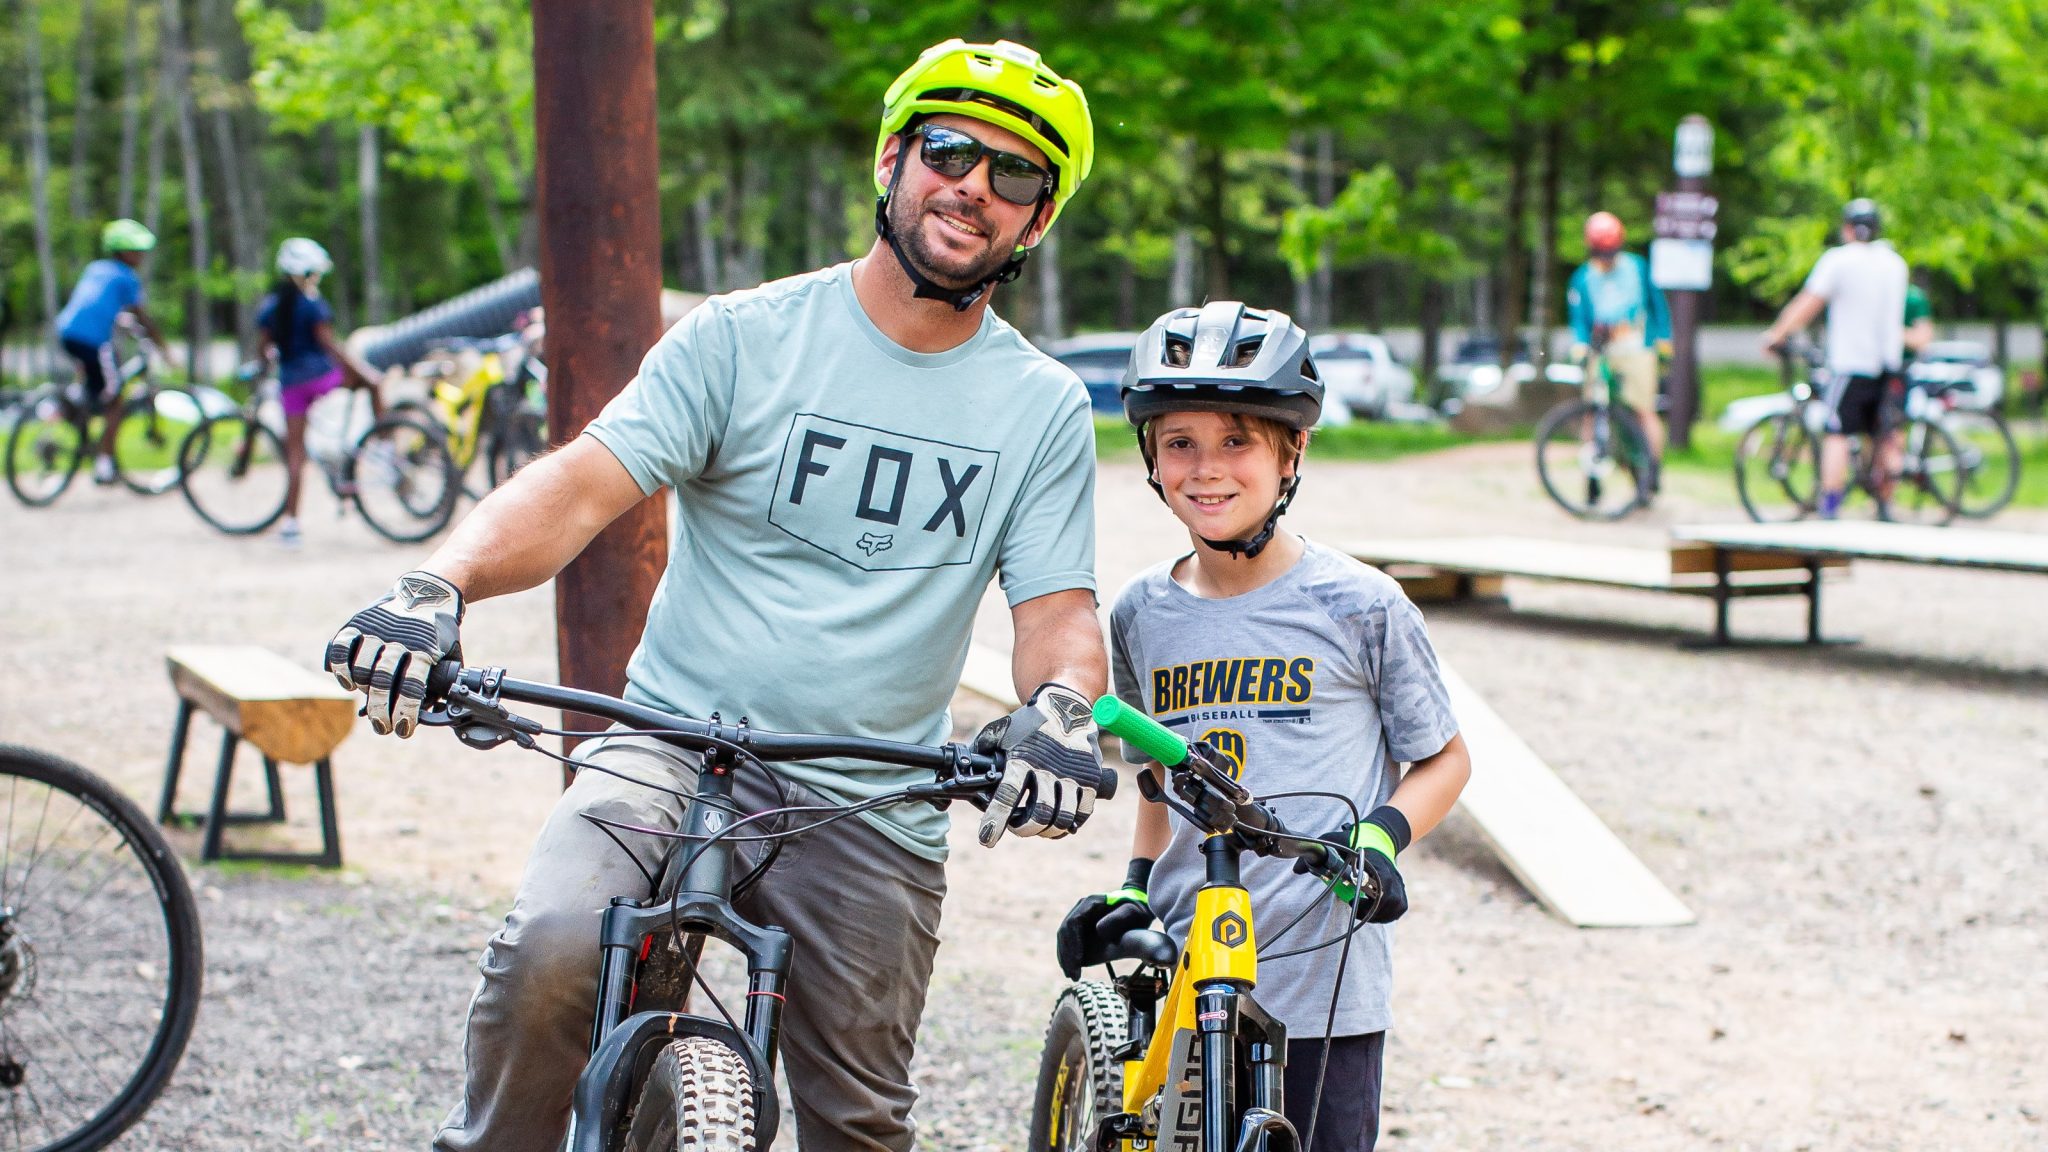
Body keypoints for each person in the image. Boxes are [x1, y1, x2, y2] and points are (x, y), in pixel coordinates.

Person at [325, 38, 1109, 1152]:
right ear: (892, 160)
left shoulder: (1039, 407)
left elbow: (1057, 616)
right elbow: (579, 485)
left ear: (1034, 222)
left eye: (1015, 175)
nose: (973, 186)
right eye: (948, 150)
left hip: (871, 790)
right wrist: (433, 583)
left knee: (862, 1123)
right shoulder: (746, 336)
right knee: (552, 945)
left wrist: (1063, 711)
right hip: (675, 746)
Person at [1058, 302, 1472, 1151]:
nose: (1207, 469)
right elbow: (1156, 775)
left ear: (1294, 451)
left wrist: (1381, 842)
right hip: (1184, 963)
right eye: (1180, 443)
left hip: (1322, 970)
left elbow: (1445, 760)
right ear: (1150, 456)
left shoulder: (1360, 604)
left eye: (1237, 441)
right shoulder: (1141, 610)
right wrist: (1136, 882)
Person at [1760, 198, 1910, 518]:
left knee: (1837, 432)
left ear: (1846, 229)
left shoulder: (1839, 261)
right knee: (1882, 432)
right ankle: (1885, 502)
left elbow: (1809, 302)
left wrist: (1778, 334)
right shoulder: (1895, 263)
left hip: (1851, 361)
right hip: (1889, 361)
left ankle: (1829, 503)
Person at [256, 237, 383, 547]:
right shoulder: (313, 305)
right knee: (374, 386)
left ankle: (291, 525)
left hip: (292, 386)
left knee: (295, 454)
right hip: (323, 379)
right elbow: (330, 344)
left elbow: (264, 350)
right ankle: (385, 443)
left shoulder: (270, 308)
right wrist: (361, 374)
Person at [54, 219, 170, 484]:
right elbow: (141, 315)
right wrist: (162, 346)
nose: (141, 257)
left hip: (67, 332)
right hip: (93, 339)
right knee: (115, 399)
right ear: (123, 252)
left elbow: (99, 305)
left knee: (98, 380)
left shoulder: (97, 268)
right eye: (137, 251)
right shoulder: (126, 277)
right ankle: (104, 464)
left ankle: (74, 405)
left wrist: (124, 324)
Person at [1565, 211, 1672, 484]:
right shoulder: (1583, 277)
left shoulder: (1637, 267)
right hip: (1601, 349)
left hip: (1635, 345)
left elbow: (1656, 304)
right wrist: (1580, 344)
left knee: (1643, 409)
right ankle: (1591, 475)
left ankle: (1653, 469)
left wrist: (1663, 338)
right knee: (1592, 408)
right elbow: (1579, 318)